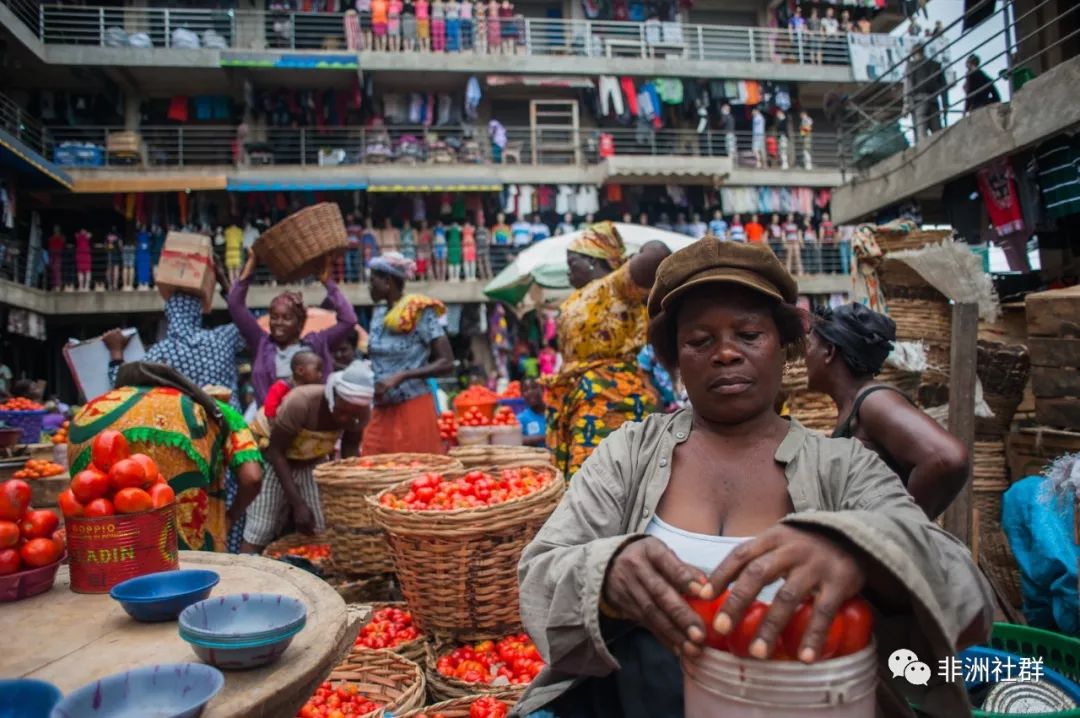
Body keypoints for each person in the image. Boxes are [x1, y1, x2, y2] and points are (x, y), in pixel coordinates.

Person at [514, 240, 992, 718]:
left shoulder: (843, 466)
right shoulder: (628, 454)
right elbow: (540, 575)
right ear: (676, 360)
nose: (725, 353)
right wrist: (607, 571)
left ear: (784, 348)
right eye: (700, 341)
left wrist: (862, 551)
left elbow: (964, 591)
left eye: (748, 334)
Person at [68, 362, 263, 553]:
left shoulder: (91, 410)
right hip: (189, 551)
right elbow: (252, 477)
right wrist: (231, 516)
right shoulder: (212, 408)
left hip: (107, 551)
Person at [805, 304, 969, 518]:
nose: (805, 355)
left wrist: (905, 525)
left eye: (809, 346)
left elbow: (947, 458)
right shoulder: (855, 405)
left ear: (829, 352)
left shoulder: (875, 401)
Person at [545, 222, 670, 478]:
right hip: (585, 396)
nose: (568, 268)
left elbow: (657, 253)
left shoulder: (615, 287)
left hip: (610, 397)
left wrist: (627, 260)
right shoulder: (583, 295)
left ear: (595, 260)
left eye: (574, 261)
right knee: (587, 485)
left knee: (602, 484)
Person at [241, 361, 373, 553]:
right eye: (341, 411)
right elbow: (275, 451)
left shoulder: (360, 413)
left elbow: (350, 448)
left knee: (319, 527)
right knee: (261, 528)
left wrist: (348, 487)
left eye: (352, 415)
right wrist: (297, 503)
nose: (345, 419)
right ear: (332, 396)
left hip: (313, 460)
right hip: (273, 459)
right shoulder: (301, 403)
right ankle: (246, 571)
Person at [104, 258, 245, 406]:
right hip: (229, 424)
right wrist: (223, 281)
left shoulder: (161, 353)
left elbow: (124, 386)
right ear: (198, 313)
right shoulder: (222, 339)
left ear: (170, 314)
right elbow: (246, 323)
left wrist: (116, 351)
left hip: (188, 426)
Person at [228, 254, 358, 406]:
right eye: (274, 317)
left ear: (300, 322)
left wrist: (328, 283)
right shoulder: (261, 343)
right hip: (271, 423)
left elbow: (349, 320)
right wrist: (251, 263)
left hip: (311, 424)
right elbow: (235, 305)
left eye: (286, 318)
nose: (279, 323)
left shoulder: (316, 344)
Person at [362, 252, 454, 454]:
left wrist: (401, 376)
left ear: (387, 281)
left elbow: (447, 362)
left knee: (417, 470)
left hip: (413, 406)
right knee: (374, 465)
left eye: (373, 281)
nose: (369, 286)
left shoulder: (419, 311)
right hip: (381, 408)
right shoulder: (377, 313)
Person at [263, 350, 324, 420]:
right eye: (318, 370)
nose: (321, 375)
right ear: (300, 370)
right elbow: (269, 412)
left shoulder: (315, 388)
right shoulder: (280, 387)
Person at [517, 378, 547, 447]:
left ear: (542, 389)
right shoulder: (521, 419)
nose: (530, 392)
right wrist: (544, 437)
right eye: (525, 390)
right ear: (522, 395)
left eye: (534, 388)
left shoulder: (553, 413)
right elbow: (517, 440)